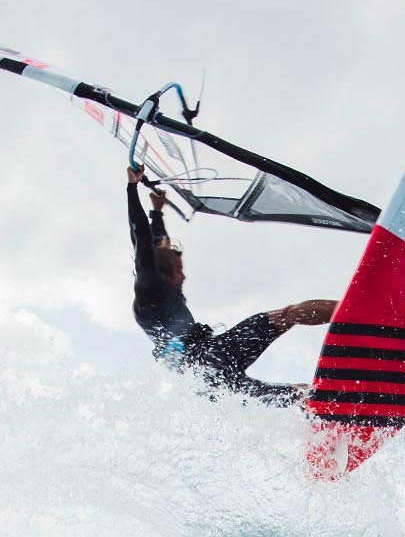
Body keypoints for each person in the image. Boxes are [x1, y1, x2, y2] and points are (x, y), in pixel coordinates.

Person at [127, 167, 336, 404]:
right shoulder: (148, 294)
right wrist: (131, 187)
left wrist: (156, 212)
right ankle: (352, 312)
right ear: (162, 275)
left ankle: (328, 405)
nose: (183, 277)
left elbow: (156, 247)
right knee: (287, 315)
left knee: (296, 395)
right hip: (209, 358)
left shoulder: (163, 284)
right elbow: (141, 240)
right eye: (178, 271)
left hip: (205, 382)